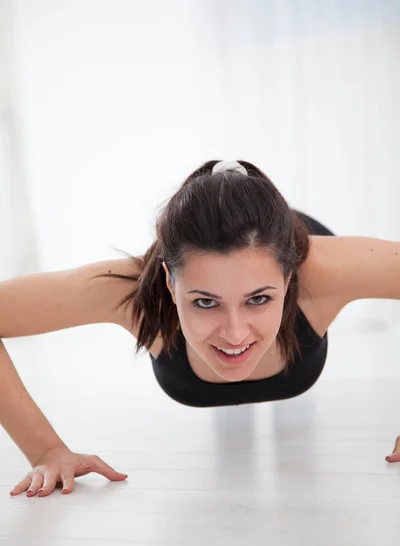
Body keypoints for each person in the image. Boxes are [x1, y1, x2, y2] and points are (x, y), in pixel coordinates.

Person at [1, 159, 399, 499]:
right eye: (205, 302)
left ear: (289, 279)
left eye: (258, 299)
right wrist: (46, 451)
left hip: (287, 248)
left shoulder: (324, 273)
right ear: (171, 285)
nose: (235, 333)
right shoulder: (133, 292)